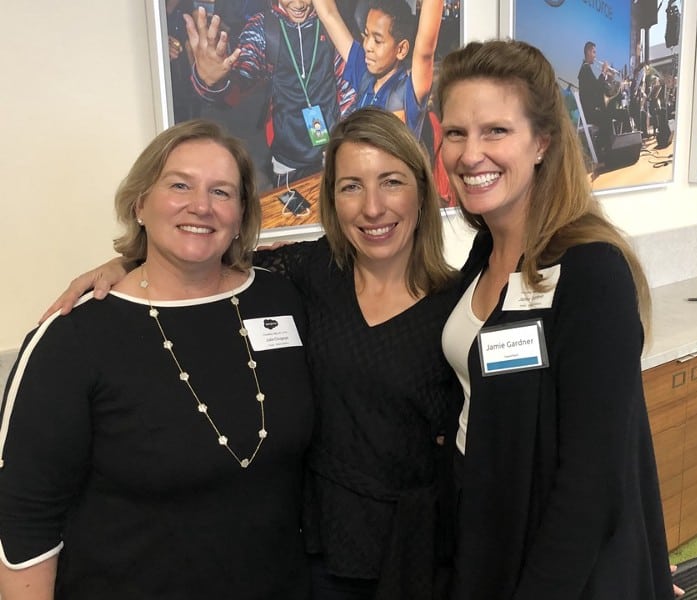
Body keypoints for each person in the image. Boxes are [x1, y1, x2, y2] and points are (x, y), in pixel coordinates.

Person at [36, 107, 460, 600]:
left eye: (391, 182)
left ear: (423, 191)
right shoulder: (305, 274)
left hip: (417, 550)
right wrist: (124, 262)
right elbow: (200, 253)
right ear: (330, 199)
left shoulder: (457, 304)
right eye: (350, 186)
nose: (372, 207)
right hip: (316, 550)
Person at [0, 120, 314, 598]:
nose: (201, 206)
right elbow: (24, 517)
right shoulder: (72, 338)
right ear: (140, 202)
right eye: (180, 185)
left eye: (222, 192)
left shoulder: (282, 298)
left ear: (241, 213)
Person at [436, 40, 675, 599]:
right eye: (455, 133)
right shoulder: (482, 255)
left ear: (542, 141)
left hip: (554, 565)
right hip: (485, 536)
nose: (472, 154)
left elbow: (592, 483)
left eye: (496, 130)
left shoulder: (591, 271)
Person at [185, 1, 354, 188]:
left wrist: (343, 138)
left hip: (334, 150)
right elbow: (242, 78)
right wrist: (215, 82)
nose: (298, 4)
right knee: (291, 213)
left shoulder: (332, 24)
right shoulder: (263, 27)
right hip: (287, 156)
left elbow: (349, 86)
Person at [311, 0, 443, 140]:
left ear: (401, 49)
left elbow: (425, 52)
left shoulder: (408, 91)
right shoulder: (364, 74)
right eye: (366, 35)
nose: (367, 46)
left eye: (378, 40)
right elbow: (329, 15)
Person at [578, 41, 614, 158]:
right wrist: (603, 72)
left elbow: (597, 88)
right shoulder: (585, 70)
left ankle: (605, 148)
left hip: (592, 109)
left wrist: (607, 78)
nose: (595, 55)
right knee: (607, 118)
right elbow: (597, 88)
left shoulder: (586, 69)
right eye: (594, 52)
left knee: (608, 116)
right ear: (588, 52)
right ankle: (602, 149)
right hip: (589, 112)